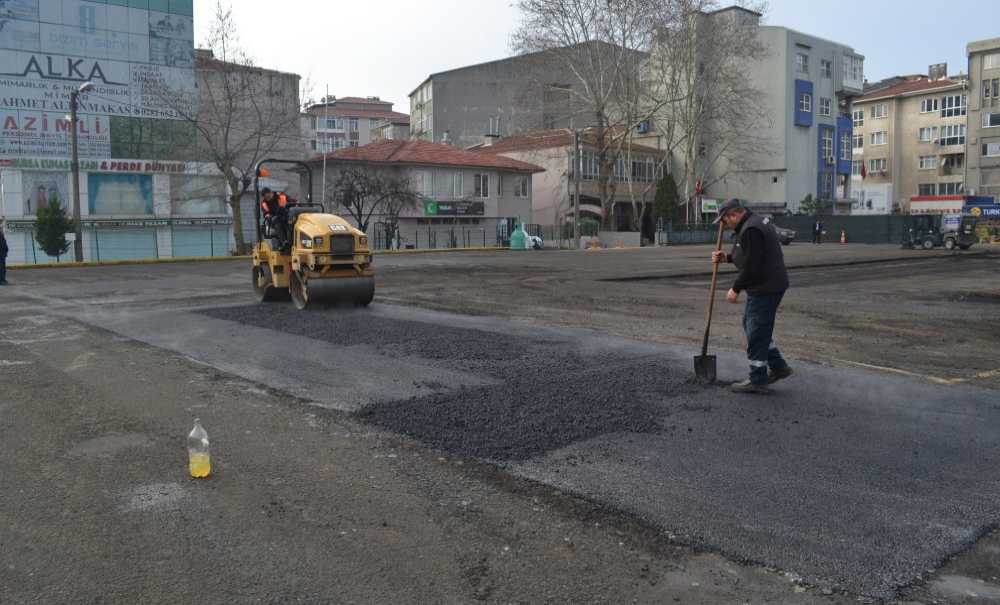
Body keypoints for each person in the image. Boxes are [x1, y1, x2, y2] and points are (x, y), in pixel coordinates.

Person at [711, 198, 793, 394]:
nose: (724, 225)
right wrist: (727, 257)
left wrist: (736, 288)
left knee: (756, 330)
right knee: (753, 325)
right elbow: (749, 255)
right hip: (768, 284)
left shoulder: (751, 229)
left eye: (724, 220)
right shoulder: (753, 223)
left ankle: (757, 378)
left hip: (766, 286)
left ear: (733, 215)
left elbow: (753, 266)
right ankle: (779, 367)